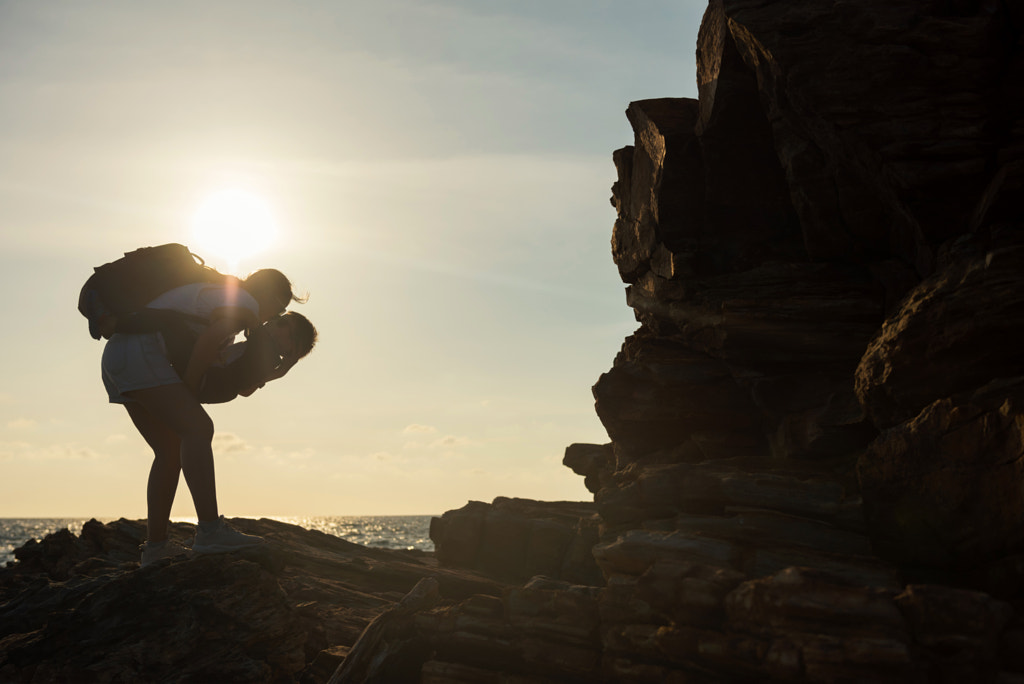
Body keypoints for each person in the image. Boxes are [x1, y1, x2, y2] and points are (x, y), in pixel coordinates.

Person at [99, 267, 314, 567]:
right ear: (268, 296)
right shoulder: (245, 303)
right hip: (142, 353)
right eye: (278, 311)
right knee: (199, 428)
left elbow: (237, 376)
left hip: (118, 356)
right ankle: (210, 531)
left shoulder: (224, 296)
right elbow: (209, 339)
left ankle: (156, 548)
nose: (270, 319)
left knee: (169, 451)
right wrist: (188, 387)